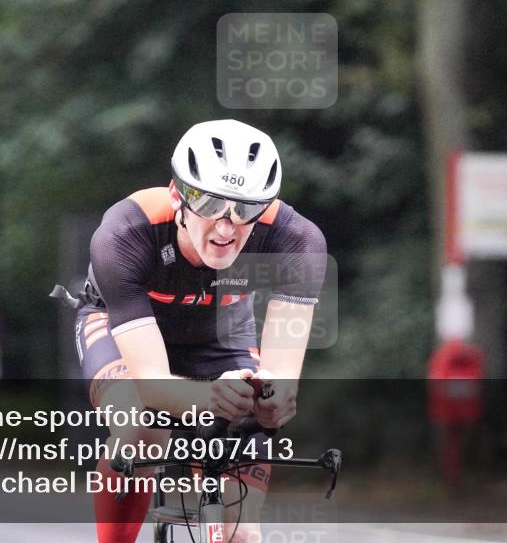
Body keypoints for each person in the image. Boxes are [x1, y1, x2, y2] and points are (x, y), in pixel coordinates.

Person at [68, 119, 326, 543]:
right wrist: (209, 397)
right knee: (139, 427)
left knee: (242, 533)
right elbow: (153, 388)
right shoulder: (125, 233)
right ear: (178, 196)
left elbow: (281, 384)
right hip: (120, 330)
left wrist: (272, 401)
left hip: (220, 334)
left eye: (244, 210)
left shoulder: (297, 242)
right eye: (209, 204)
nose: (226, 228)